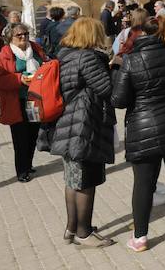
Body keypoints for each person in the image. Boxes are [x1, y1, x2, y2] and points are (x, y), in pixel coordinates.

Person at [112, 15, 165, 252]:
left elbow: (119, 100)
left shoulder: (131, 60)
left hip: (144, 125)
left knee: (143, 182)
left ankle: (140, 237)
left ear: (141, 33)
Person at [51, 17, 116, 248]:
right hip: (84, 125)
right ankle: (84, 232)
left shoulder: (65, 54)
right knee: (86, 181)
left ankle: (71, 228)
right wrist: (115, 66)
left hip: (68, 123)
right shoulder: (87, 57)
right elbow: (106, 88)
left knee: (73, 180)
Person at [0, 22, 47, 182]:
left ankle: (28, 164)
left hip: (34, 99)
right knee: (20, 137)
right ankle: (21, 170)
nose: (23, 37)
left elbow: (45, 64)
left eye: (26, 34)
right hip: (16, 102)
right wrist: (19, 78)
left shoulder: (35, 49)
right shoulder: (3, 56)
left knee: (33, 133)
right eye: (19, 35)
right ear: (10, 37)